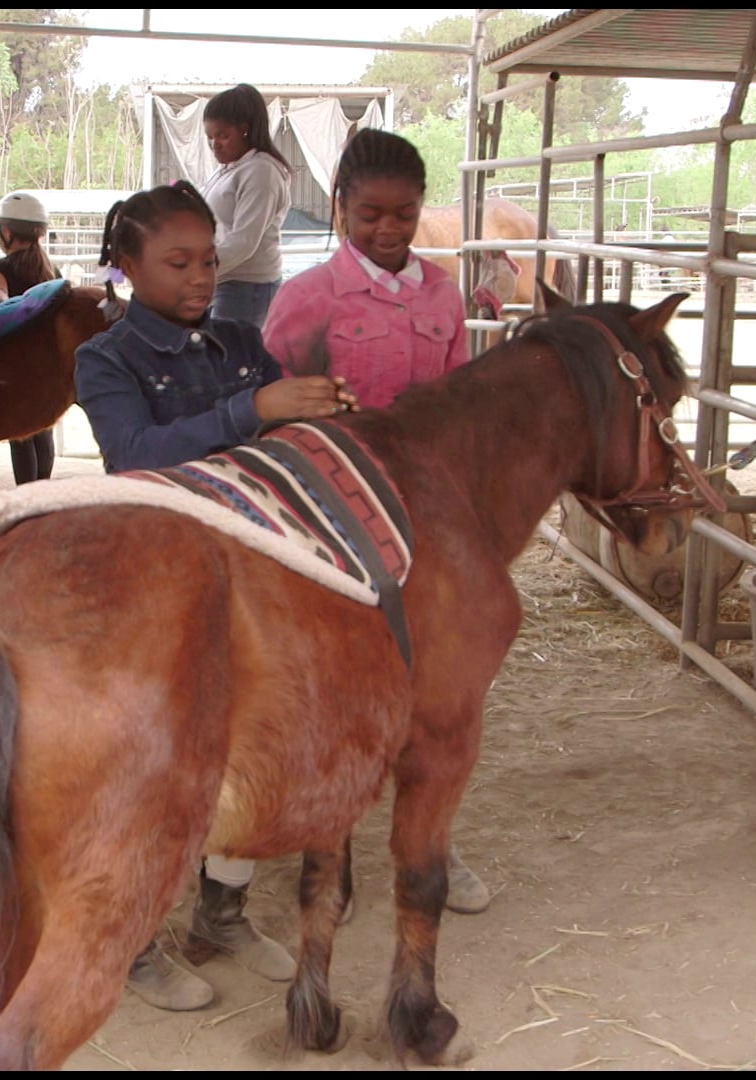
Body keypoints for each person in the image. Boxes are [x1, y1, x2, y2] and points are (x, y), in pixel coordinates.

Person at [74, 180, 358, 1011]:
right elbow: (133, 455)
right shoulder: (107, 358)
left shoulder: (240, 338)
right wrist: (252, 407)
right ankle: (130, 940)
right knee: (163, 763)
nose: (201, 277)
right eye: (177, 262)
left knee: (262, 744)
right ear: (126, 267)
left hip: (251, 568)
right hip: (157, 570)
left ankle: (221, 912)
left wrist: (313, 410)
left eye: (209, 259)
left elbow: (281, 433)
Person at [261, 128, 491, 918]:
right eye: (369, 216)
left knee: (434, 681)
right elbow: (273, 406)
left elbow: (462, 405)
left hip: (424, 515)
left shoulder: (442, 295)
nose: (388, 231)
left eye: (403, 213)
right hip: (334, 516)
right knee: (347, 681)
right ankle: (333, 842)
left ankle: (431, 840)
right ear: (341, 209)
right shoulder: (307, 298)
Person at [200, 84, 293, 329]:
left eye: (222, 135)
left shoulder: (261, 171)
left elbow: (243, 241)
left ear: (245, 130)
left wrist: (196, 270)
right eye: (209, 137)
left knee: (226, 363)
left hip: (246, 286)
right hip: (224, 279)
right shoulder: (228, 169)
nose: (214, 144)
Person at [0, 191, 58, 485]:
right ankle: (42, 494)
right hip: (50, 363)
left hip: (16, 363)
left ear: (7, 231)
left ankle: (26, 498)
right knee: (43, 429)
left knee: (20, 434)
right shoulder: (52, 272)